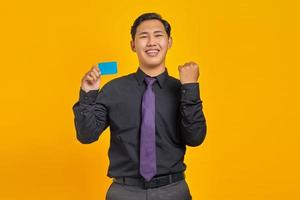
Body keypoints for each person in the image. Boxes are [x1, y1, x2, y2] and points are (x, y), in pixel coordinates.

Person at [72, 12, 207, 200]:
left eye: (158, 35)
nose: (151, 42)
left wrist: (191, 88)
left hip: (173, 191)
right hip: (124, 192)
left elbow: (195, 138)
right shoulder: (113, 89)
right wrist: (88, 93)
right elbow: (86, 135)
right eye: (144, 36)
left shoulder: (182, 89)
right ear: (133, 45)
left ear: (169, 42)